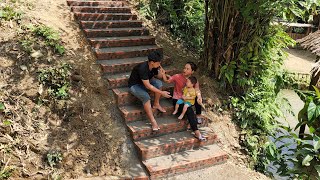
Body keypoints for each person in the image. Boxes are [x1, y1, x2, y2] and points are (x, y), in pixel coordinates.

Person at [161, 62, 206, 141]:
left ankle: (198, 115)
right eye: (184, 68)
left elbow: (197, 90)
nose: (184, 70)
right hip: (178, 99)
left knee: (197, 98)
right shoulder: (177, 76)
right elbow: (167, 81)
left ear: (192, 72)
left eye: (187, 69)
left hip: (188, 99)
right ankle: (197, 132)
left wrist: (199, 97)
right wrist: (163, 74)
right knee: (189, 109)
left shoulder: (193, 80)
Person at [128, 51, 171, 131]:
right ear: (152, 62)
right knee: (146, 97)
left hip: (146, 81)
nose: (159, 64)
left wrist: (163, 73)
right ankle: (153, 121)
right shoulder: (143, 68)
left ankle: (156, 104)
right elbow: (148, 86)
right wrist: (162, 93)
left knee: (159, 83)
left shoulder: (154, 67)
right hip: (135, 85)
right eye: (158, 63)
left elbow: (158, 76)